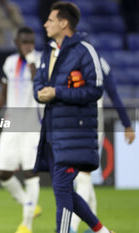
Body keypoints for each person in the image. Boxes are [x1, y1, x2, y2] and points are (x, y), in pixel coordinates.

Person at [33, 2, 115, 233]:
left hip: (75, 134)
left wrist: (57, 92)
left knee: (61, 190)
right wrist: (40, 93)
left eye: (50, 20)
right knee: (64, 189)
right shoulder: (48, 51)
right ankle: (102, 231)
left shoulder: (85, 51)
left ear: (64, 23)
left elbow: (96, 88)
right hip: (53, 133)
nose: (45, 23)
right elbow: (39, 83)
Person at [69, 57, 136, 233]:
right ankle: (97, 228)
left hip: (90, 125)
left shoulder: (97, 63)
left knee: (82, 176)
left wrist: (127, 124)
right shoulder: (67, 58)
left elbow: (113, 94)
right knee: (84, 179)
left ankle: (72, 228)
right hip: (71, 124)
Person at [0, 26, 42, 233]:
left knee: (31, 173)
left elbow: (43, 87)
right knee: (3, 172)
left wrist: (34, 68)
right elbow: (3, 94)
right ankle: (29, 204)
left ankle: (26, 224)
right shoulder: (10, 63)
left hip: (33, 126)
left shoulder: (41, 61)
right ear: (17, 43)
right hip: (11, 124)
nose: (28, 46)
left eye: (31, 42)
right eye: (24, 42)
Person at [0, 0, 24, 80]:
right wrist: (10, 24)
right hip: (0, 42)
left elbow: (19, 21)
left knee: (12, 65)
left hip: (12, 42)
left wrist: (11, 13)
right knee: (0, 66)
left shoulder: (13, 7)